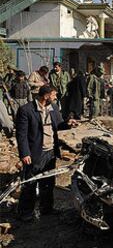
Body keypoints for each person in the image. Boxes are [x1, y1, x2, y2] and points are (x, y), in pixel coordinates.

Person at [15, 85, 77, 221]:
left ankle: (47, 209)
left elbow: (59, 124)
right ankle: (25, 213)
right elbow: (21, 135)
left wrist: (68, 123)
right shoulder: (26, 110)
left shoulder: (53, 108)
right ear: (46, 96)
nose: (56, 97)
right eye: (54, 95)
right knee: (30, 183)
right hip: (34, 154)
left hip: (50, 152)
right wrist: (25, 153)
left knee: (48, 183)